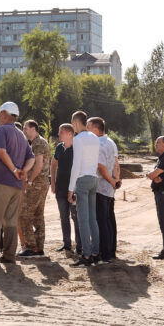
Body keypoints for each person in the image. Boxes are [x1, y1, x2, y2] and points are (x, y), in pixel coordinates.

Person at [0, 101, 34, 266]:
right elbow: (31, 158)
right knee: (11, 221)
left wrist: (14, 170)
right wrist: (23, 171)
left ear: (4, 114)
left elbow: (1, 151)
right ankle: (9, 256)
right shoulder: (21, 135)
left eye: (0, 115)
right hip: (17, 185)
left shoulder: (1, 130)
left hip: (1, 182)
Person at [67, 111, 100, 267]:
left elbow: (76, 165)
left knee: (83, 220)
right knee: (93, 218)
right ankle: (95, 253)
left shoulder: (78, 139)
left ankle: (86, 256)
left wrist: (70, 188)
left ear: (75, 122)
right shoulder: (95, 137)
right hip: (94, 178)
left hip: (82, 180)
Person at [18, 119, 50, 258]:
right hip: (42, 183)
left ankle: (31, 248)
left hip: (37, 184)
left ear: (33, 128)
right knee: (38, 216)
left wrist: (30, 181)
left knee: (24, 215)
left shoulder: (37, 143)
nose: (24, 131)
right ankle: (38, 248)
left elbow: (38, 165)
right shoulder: (39, 142)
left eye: (26, 128)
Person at [90, 117, 120, 263]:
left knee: (102, 221)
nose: (87, 130)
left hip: (101, 187)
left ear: (95, 128)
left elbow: (101, 167)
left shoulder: (99, 144)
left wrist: (111, 180)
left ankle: (105, 253)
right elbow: (116, 164)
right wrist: (116, 180)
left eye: (88, 127)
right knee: (109, 220)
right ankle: (111, 251)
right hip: (110, 188)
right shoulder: (111, 142)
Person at [51, 123, 80, 253]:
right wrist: (53, 183)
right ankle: (67, 244)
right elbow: (53, 164)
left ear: (70, 134)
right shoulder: (59, 148)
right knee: (64, 217)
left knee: (76, 217)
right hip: (60, 189)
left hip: (74, 189)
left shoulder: (78, 148)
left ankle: (80, 246)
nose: (58, 134)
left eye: (61, 132)